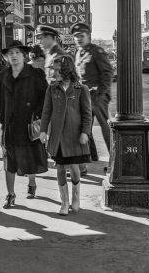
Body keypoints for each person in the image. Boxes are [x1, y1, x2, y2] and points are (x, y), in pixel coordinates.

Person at [0, 40, 48, 208]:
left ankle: (31, 183)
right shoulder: (1, 77)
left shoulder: (35, 74)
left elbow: (44, 97)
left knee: (30, 156)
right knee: (9, 159)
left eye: (17, 52)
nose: (14, 56)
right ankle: (10, 194)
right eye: (11, 53)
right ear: (7, 57)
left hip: (29, 122)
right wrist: (1, 117)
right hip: (9, 123)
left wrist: (37, 115)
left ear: (24, 55)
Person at [40, 56, 92, 215]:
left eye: (57, 70)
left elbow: (87, 114)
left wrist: (85, 132)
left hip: (75, 136)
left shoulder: (81, 89)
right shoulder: (51, 89)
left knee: (75, 168)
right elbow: (46, 111)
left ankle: (76, 197)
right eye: (53, 69)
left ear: (66, 70)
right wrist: (43, 130)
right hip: (58, 137)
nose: (54, 73)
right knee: (60, 168)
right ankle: (65, 201)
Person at [70, 23, 113, 171]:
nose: (79, 39)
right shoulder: (78, 53)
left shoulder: (97, 51)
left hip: (97, 97)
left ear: (88, 36)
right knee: (80, 128)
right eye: (76, 37)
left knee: (106, 129)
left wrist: (100, 92)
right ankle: (82, 164)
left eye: (81, 36)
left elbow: (108, 72)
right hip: (84, 97)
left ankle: (114, 162)